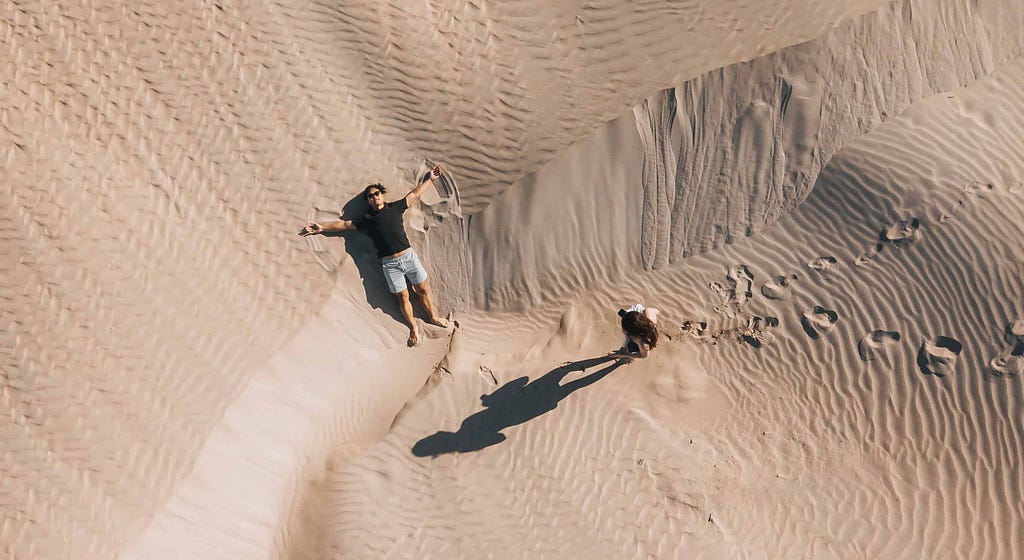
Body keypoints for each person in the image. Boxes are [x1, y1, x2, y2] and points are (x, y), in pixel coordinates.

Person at [300, 165, 449, 346]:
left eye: (376, 193)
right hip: (390, 264)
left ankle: (433, 317)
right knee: (403, 297)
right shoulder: (367, 220)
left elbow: (414, 195)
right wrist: (322, 227)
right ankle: (413, 327)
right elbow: (345, 225)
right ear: (368, 201)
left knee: (422, 290)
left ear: (382, 195)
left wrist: (429, 180)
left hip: (409, 257)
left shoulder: (395, 207)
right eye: (370, 196)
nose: (374, 197)